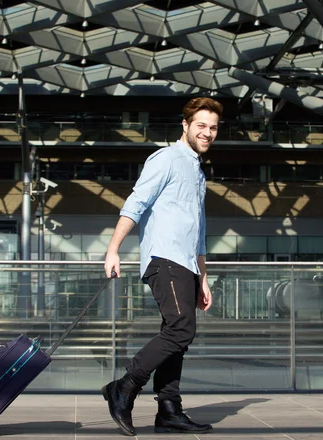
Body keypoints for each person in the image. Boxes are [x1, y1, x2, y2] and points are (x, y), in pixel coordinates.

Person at [102, 97, 222, 435]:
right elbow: (136, 203)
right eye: (201, 125)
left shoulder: (197, 171)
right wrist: (113, 250)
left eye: (212, 127)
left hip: (186, 264)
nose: (207, 132)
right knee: (182, 329)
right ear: (185, 126)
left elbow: (198, 231)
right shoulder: (167, 158)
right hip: (164, 259)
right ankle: (124, 388)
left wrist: (204, 278)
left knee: (176, 335)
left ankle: (169, 408)